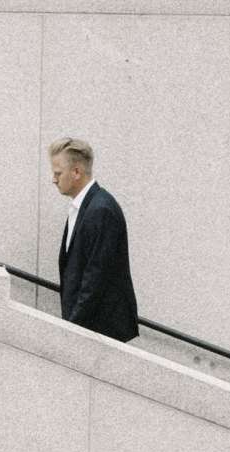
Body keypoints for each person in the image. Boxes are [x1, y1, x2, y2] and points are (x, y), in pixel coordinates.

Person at [49, 137, 139, 343]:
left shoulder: (101, 210)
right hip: (90, 328)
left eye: (58, 173)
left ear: (77, 172)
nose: (54, 179)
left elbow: (95, 278)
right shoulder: (84, 207)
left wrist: (72, 328)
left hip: (100, 330)